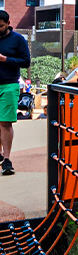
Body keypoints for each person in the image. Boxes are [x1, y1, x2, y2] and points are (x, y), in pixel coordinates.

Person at [0, 10, 31, 177]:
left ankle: (6, 159)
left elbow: (26, 61)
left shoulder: (17, 39)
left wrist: (5, 59)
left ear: (8, 23)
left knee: (5, 122)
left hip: (9, 84)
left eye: (1, 26)